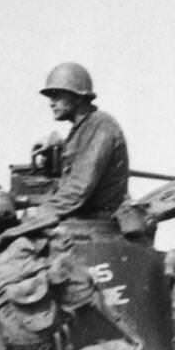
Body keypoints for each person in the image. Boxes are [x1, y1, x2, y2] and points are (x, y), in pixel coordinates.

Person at [36, 62, 130, 239]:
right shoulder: (84, 129)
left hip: (98, 226)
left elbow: (79, 187)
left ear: (78, 97)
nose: (51, 103)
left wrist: (43, 212)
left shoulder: (101, 125)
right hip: (83, 220)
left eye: (57, 96)